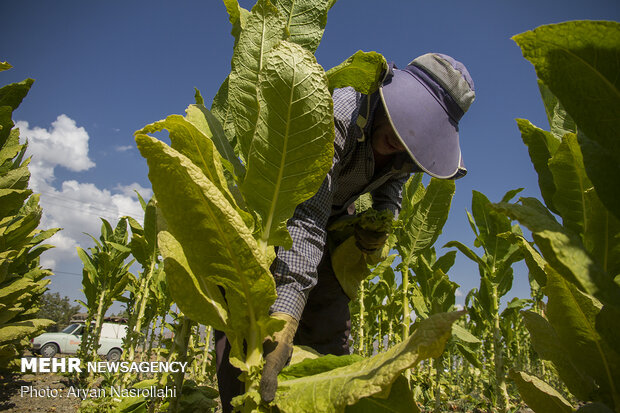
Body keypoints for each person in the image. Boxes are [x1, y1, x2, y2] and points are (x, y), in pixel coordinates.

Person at [215, 52, 476, 411]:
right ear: (389, 97)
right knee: (249, 328)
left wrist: (382, 220)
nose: (402, 143)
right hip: (273, 214)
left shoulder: (408, 154)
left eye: (417, 135)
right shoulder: (341, 110)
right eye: (403, 126)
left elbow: (391, 186)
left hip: (331, 225)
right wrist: (285, 315)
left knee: (330, 334)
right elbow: (306, 214)